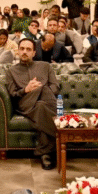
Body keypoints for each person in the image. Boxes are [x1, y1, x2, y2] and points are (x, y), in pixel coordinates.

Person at [6, 38, 59, 170]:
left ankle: (45, 153)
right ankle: (66, 134)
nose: (24, 52)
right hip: (25, 103)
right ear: (18, 51)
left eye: (28, 49)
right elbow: (13, 94)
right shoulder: (11, 71)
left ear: (34, 53)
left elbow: (55, 87)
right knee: (42, 88)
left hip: (43, 103)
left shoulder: (45, 66)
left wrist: (42, 90)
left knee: (41, 105)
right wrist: (26, 89)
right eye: (22, 49)